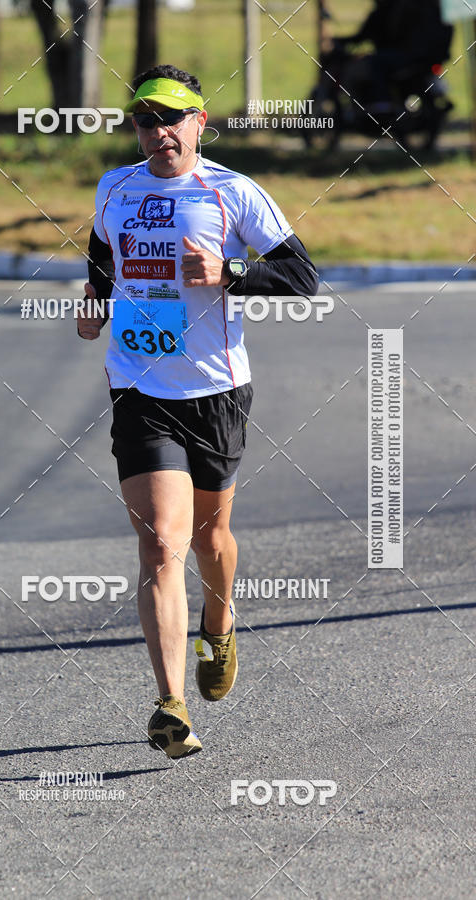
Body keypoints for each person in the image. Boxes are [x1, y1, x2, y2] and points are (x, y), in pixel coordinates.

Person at [78, 64, 319, 758]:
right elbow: (102, 253)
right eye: (145, 120)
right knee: (160, 542)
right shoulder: (115, 188)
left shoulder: (230, 194)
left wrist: (229, 274)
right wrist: (95, 301)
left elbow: (302, 275)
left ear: (199, 124)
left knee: (211, 541)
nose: (158, 133)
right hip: (138, 388)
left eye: (172, 118)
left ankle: (220, 621)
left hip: (214, 392)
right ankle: (170, 705)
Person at [336, 0, 453, 106]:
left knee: (374, 64)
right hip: (425, 57)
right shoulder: (431, 9)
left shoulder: (402, 9)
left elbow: (363, 37)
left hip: (411, 57)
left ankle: (381, 103)